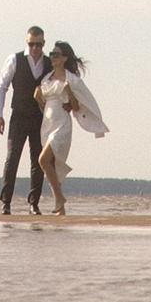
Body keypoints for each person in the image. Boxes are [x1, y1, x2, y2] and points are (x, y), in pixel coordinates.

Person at [31, 42, 107, 218]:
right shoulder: (46, 79)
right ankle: (61, 210)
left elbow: (78, 106)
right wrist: (38, 99)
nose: (53, 57)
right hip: (47, 125)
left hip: (62, 125)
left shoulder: (72, 80)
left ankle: (59, 198)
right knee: (51, 165)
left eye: (56, 54)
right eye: (51, 54)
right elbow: (43, 106)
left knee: (43, 159)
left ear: (64, 58)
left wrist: (69, 93)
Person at [0, 28, 51, 215]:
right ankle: (6, 202)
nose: (35, 47)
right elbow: (2, 86)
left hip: (39, 117)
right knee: (12, 159)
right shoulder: (15, 59)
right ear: (26, 42)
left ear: (43, 44)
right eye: (31, 43)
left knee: (38, 161)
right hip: (18, 115)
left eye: (38, 44)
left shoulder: (49, 63)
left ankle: (34, 203)